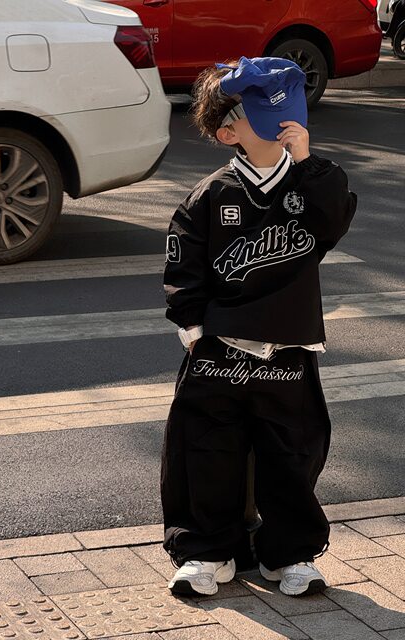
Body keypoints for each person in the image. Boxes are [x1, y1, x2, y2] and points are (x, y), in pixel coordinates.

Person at [160, 56, 357, 598]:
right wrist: (192, 328)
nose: (281, 122)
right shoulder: (211, 194)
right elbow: (183, 266)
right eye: (256, 114)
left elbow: (334, 221)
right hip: (220, 348)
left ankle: (289, 554)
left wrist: (307, 161)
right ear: (228, 133)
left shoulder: (314, 181)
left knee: (291, 454)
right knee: (206, 451)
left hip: (290, 345)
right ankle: (207, 552)